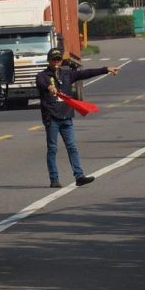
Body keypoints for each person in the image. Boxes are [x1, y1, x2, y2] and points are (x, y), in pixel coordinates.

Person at [36, 47, 118, 188]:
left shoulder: (67, 75)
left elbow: (86, 73)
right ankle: (54, 179)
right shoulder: (42, 76)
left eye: (58, 59)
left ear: (61, 61)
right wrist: (50, 87)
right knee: (53, 148)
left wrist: (106, 69)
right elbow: (42, 84)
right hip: (52, 118)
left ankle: (79, 176)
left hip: (66, 117)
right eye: (53, 59)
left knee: (72, 146)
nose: (56, 62)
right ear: (49, 61)